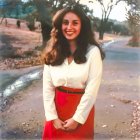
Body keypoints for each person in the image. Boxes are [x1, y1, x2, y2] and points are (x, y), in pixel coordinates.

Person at [42, 4, 105, 140]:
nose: (69, 27)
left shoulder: (92, 52)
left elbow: (92, 90)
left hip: (81, 112)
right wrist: (53, 117)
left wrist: (77, 118)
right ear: (60, 25)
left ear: (82, 26)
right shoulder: (52, 52)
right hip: (56, 113)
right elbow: (47, 88)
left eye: (75, 23)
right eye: (65, 23)